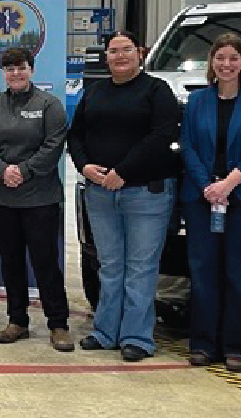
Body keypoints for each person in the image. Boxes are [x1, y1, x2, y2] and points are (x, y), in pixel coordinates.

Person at [66, 31, 181, 362]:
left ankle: (136, 337)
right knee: (110, 266)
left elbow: (163, 135)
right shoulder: (95, 92)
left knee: (140, 268)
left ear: (140, 53)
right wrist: (85, 166)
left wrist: (125, 172)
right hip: (100, 193)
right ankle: (105, 332)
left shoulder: (157, 91)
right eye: (113, 51)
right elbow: (77, 135)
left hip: (146, 193)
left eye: (126, 50)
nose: (119, 56)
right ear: (106, 58)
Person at [177, 34, 241, 373]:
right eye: (220, 58)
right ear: (212, 63)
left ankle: (240, 348)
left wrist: (229, 182)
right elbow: (187, 146)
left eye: (234, 58)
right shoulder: (196, 102)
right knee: (203, 273)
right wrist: (207, 185)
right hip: (202, 199)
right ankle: (203, 344)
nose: (227, 64)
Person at [0, 47, 72, 352]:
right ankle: (17, 320)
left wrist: (24, 171)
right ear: (4, 74)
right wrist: (2, 171)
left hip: (38, 198)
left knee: (45, 263)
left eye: (21, 68)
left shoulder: (49, 105)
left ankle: (58, 324)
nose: (15, 74)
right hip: (0, 198)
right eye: (10, 69)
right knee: (10, 261)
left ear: (32, 69)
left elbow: (54, 144)